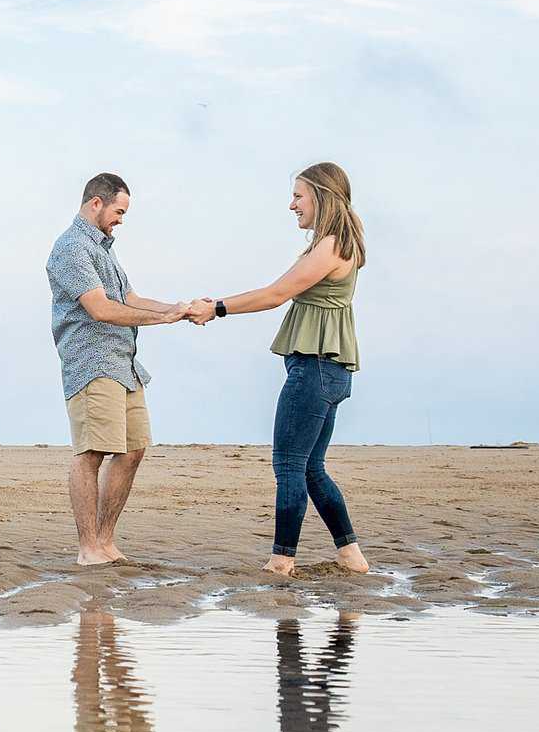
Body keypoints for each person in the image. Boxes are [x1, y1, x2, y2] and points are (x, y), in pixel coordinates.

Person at [193, 162, 370, 576]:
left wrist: (215, 308)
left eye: (298, 195)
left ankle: (281, 560)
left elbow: (275, 294)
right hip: (330, 369)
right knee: (311, 468)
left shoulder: (329, 246)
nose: (291, 204)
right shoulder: (342, 244)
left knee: (289, 465)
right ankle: (350, 555)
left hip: (314, 368)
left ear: (322, 197)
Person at [45, 173, 203, 566]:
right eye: (119, 211)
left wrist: (175, 310)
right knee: (92, 452)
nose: (121, 220)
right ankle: (88, 548)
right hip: (92, 363)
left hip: (125, 364)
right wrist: (162, 320)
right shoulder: (71, 248)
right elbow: (100, 309)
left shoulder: (105, 248)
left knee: (133, 450)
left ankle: (105, 541)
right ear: (96, 203)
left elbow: (129, 298)